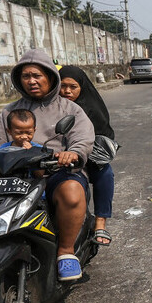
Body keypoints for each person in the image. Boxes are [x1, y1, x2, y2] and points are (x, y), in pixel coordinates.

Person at [0, 48, 95, 281]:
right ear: (19, 80)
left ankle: (65, 252)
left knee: (72, 193)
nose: (31, 81)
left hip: (53, 172)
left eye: (37, 75)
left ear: (50, 77)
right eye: (25, 76)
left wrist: (71, 153)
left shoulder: (70, 109)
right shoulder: (10, 111)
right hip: (14, 173)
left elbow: (82, 139)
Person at [59, 66, 115, 246]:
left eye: (72, 87)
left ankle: (101, 221)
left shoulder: (91, 108)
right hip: (53, 157)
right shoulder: (50, 106)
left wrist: (79, 151)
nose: (67, 91)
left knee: (105, 174)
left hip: (87, 157)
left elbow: (100, 134)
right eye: (63, 86)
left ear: (81, 87)